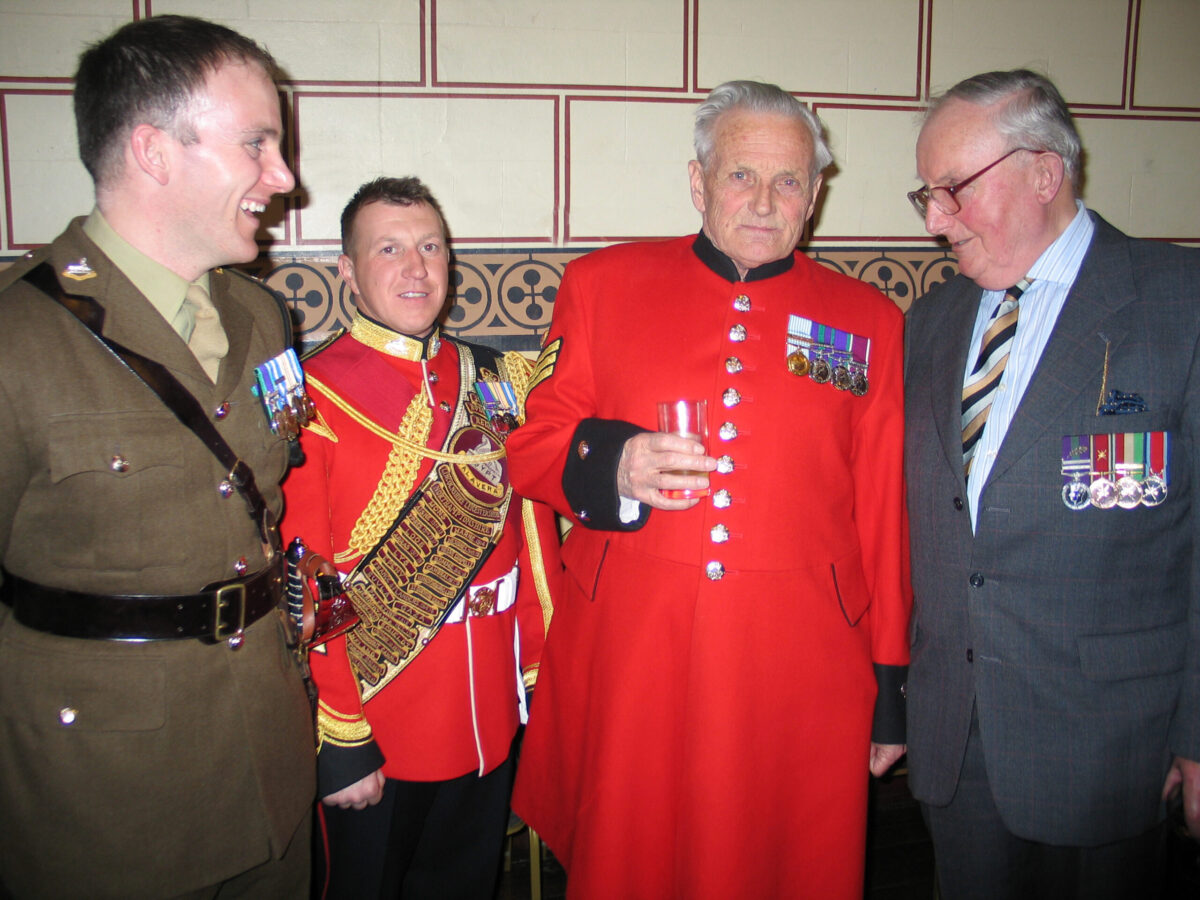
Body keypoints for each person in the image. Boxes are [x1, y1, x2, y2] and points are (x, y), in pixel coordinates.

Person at [504, 80, 912, 898]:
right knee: (632, 852)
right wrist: (614, 461)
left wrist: (891, 685)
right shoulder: (602, 285)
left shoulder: (865, 320)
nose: (764, 201)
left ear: (815, 193)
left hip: (797, 665)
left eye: (789, 180)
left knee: (782, 861)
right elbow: (531, 446)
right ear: (698, 182)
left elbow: (882, 510)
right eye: (739, 176)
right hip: (633, 652)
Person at [0, 14, 315, 900]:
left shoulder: (262, 319)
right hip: (105, 806)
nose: (285, 177)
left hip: (271, 769)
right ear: (153, 150)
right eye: (257, 143)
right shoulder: (15, 335)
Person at [903, 68, 1200, 899]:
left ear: (1044, 171)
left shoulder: (1179, 303)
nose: (934, 222)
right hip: (955, 739)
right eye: (924, 196)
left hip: (1108, 744)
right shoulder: (930, 324)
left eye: (952, 190)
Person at [281, 176, 560, 899]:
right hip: (381, 725)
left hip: (490, 717)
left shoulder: (496, 380)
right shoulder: (314, 396)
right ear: (347, 269)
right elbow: (304, 580)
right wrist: (340, 739)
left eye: (431, 247)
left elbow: (532, 546)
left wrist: (538, 681)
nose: (416, 268)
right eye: (390, 249)